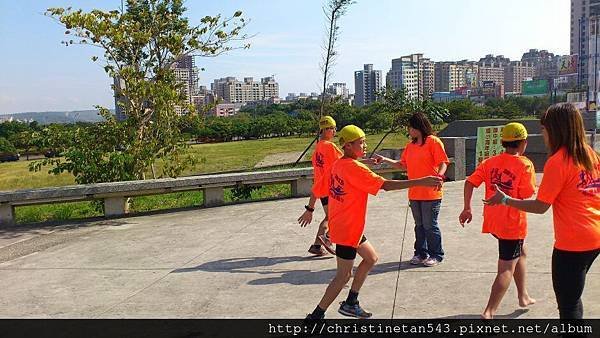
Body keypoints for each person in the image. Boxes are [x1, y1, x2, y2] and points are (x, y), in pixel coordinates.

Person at [305, 125, 443, 320]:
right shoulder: (353, 167)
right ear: (349, 146)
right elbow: (385, 185)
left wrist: (310, 208)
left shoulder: (338, 164)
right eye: (361, 142)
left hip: (346, 225)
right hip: (347, 229)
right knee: (343, 276)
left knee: (371, 258)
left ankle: (352, 302)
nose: (365, 145)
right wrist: (420, 181)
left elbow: (318, 188)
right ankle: (315, 316)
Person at [484, 103, 600, 319]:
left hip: (573, 242)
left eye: (544, 129)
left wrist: (506, 200)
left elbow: (540, 206)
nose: (543, 134)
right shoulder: (590, 155)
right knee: (573, 297)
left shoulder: (558, 161)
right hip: (594, 236)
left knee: (568, 306)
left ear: (555, 130)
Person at [459, 122, 537, 319]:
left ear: (504, 142)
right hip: (512, 223)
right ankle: (489, 311)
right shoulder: (525, 164)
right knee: (505, 268)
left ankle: (523, 295)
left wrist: (467, 207)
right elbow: (527, 194)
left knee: (521, 253)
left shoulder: (490, 162)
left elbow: (469, 182)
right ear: (523, 143)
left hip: (494, 221)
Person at [373, 112, 449, 267]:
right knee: (419, 225)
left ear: (419, 127)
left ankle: (437, 254)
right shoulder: (410, 146)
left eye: (411, 127)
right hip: (414, 192)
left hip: (431, 192)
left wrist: (439, 177)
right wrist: (385, 160)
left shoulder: (433, 142)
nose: (409, 130)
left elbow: (444, 162)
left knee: (430, 225)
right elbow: (403, 165)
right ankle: (421, 253)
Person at [298, 116, 342, 256]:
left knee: (330, 217)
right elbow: (346, 162)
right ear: (327, 129)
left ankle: (317, 246)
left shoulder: (318, 147)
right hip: (331, 188)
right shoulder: (330, 146)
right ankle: (327, 238)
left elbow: (317, 176)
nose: (335, 131)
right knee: (334, 218)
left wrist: (310, 207)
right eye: (334, 128)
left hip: (322, 190)